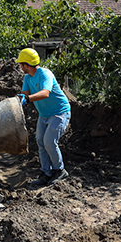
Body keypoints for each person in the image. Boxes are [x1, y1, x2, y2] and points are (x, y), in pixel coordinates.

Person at [17, 47, 71, 188]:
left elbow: (45, 93)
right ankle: (46, 172)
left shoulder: (45, 74)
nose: (20, 67)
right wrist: (21, 99)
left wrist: (27, 99)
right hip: (44, 115)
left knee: (49, 141)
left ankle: (59, 170)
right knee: (40, 141)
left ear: (26, 65)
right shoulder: (27, 77)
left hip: (59, 112)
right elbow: (24, 93)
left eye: (21, 64)